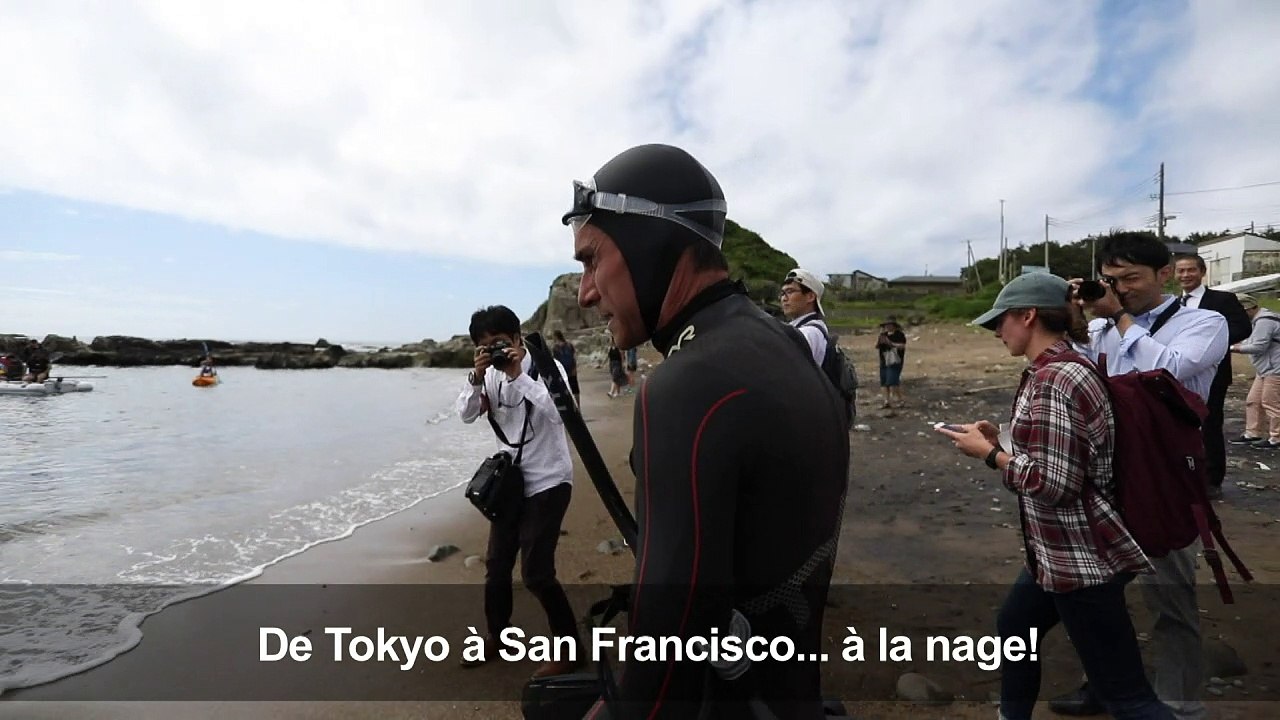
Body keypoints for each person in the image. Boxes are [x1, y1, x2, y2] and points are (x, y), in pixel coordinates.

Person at [564, 143, 849, 718]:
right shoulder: (785, 347)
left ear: (651, 244)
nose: (586, 292)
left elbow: (670, 637)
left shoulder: (688, 386)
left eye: (593, 260)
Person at [937, 272, 1172, 720]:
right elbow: (1059, 451)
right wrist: (1001, 441)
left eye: (1000, 322)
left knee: (1127, 696)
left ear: (1028, 316)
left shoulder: (1054, 380)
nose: (996, 333)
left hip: (1081, 558)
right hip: (1053, 552)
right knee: (1015, 626)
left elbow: (1055, 484)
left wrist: (991, 457)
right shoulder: (1055, 369)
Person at [1050, 233, 1227, 720]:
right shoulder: (1105, 328)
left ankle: (1180, 704)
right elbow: (1080, 377)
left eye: (1131, 279)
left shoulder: (1203, 322)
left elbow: (1168, 370)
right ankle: (1103, 686)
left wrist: (1120, 318)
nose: (1120, 289)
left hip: (1166, 476)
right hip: (1109, 472)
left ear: (1164, 274)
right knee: (1098, 595)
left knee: (1170, 598)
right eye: (1111, 281)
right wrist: (1075, 318)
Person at [455, 305, 581, 679]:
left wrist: (517, 375)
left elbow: (562, 412)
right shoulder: (487, 377)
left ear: (516, 339)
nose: (493, 351)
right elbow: (464, 414)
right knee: (496, 568)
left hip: (549, 479)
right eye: (483, 346)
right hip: (511, 486)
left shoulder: (545, 366)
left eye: (498, 343)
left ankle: (570, 650)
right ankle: (497, 636)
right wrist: (476, 378)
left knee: (537, 573)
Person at [1172, 254, 1252, 498]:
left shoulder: (1222, 299)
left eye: (1190, 270)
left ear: (1202, 272)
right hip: (1179, 372)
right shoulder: (1174, 303)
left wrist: (1211, 344)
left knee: (1210, 424)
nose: (1185, 275)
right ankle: (1182, 475)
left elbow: (1243, 327)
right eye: (1181, 271)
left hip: (1214, 373)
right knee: (1179, 423)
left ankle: (1212, 479)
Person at [1228, 293, 1280, 449]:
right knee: (1253, 401)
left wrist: (1232, 348)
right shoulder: (1256, 322)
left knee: (1271, 402)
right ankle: (1252, 433)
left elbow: (1258, 346)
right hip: (1264, 369)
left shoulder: (1265, 321)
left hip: (1275, 369)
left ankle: (1276, 437)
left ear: (1248, 308)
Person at [778, 268, 829, 366]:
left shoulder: (809, 333)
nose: (784, 298)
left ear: (810, 297)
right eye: (782, 293)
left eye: (790, 291)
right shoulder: (808, 328)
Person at [875, 317, 907, 407]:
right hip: (884, 360)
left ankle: (901, 400)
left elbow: (902, 346)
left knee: (893, 382)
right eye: (886, 325)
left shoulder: (899, 335)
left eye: (889, 325)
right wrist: (880, 341)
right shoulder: (883, 335)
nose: (888, 327)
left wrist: (890, 343)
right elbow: (878, 347)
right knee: (884, 382)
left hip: (895, 361)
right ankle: (886, 401)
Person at [551, 330, 581, 407]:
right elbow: (574, 357)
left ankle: (572, 407)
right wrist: (575, 368)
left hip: (564, 371)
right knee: (574, 390)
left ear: (556, 337)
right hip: (570, 370)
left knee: (567, 391)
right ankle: (577, 407)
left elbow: (555, 361)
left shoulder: (556, 348)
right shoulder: (568, 345)